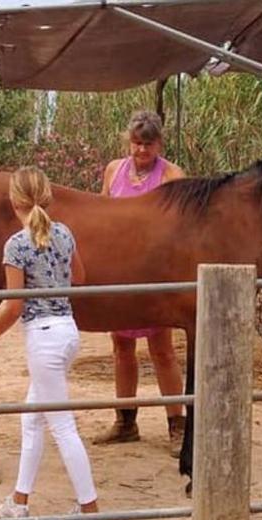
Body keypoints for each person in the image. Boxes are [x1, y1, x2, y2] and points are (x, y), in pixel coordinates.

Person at [0, 166, 107, 520]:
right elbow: (79, 278)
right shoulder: (64, 233)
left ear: (13, 201)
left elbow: (14, 303)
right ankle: (19, 500)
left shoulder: (16, 245)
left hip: (43, 337)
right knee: (32, 418)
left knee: (62, 425)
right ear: (47, 197)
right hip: (67, 330)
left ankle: (90, 511)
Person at [94, 110, 187, 452]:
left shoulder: (172, 176)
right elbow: (102, 215)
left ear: (159, 144)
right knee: (121, 348)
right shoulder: (114, 170)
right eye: (136, 143)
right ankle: (125, 421)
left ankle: (177, 423)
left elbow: (179, 229)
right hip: (118, 270)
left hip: (153, 272)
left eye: (148, 144)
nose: (141, 151)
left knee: (162, 350)